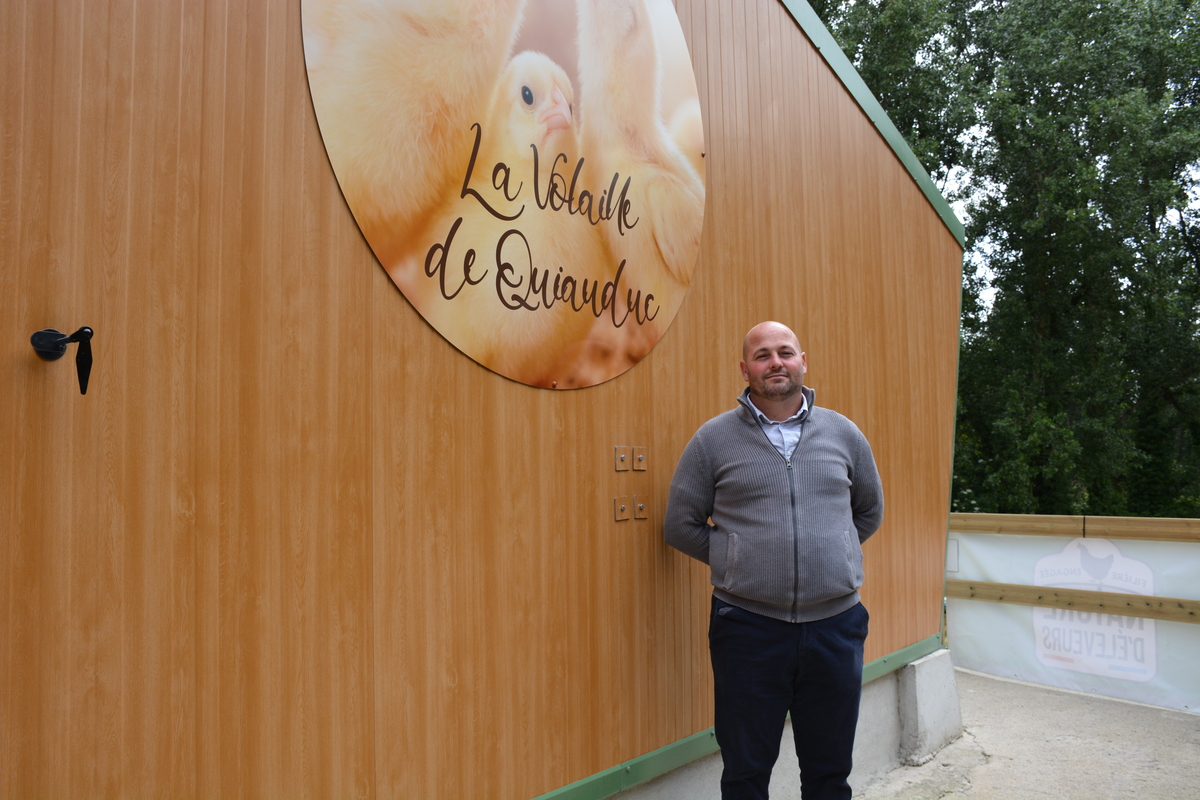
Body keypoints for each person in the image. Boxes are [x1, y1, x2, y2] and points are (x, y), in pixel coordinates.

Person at [663, 321, 884, 800]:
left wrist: (831, 552)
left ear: (803, 361)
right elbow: (680, 525)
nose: (775, 362)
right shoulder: (712, 441)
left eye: (785, 352)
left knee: (829, 773)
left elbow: (868, 512)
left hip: (836, 625)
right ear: (745, 370)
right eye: (762, 355)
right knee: (745, 773)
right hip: (747, 628)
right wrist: (739, 561)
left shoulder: (844, 433)